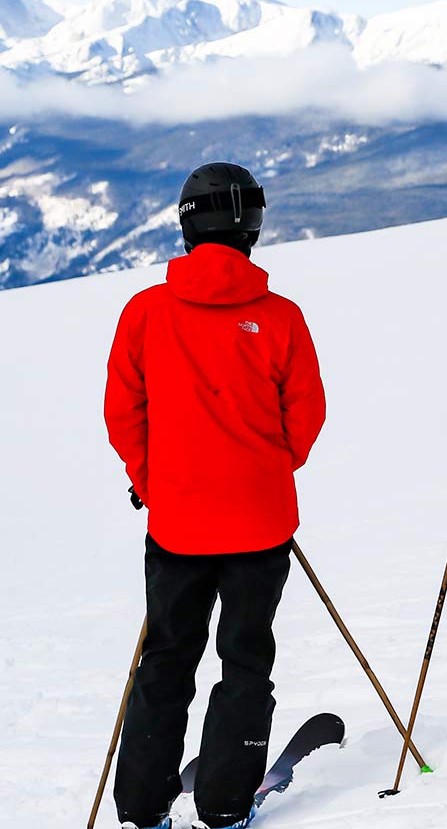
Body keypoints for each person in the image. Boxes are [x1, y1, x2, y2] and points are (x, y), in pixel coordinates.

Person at [104, 163, 327, 829]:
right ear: (252, 229)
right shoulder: (280, 317)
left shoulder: (146, 312)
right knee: (246, 658)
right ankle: (226, 806)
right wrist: (266, 469)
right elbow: (306, 415)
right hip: (260, 523)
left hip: (176, 525)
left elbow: (123, 412)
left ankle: (143, 810)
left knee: (167, 658)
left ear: (186, 224)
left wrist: (152, 481)